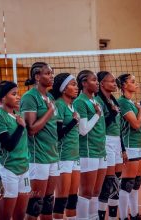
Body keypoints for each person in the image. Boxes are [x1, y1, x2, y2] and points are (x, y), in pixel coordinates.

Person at [21, 62, 59, 220]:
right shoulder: (30, 97)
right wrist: (50, 110)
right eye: (48, 73)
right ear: (37, 76)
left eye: (52, 73)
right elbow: (31, 129)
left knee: (48, 202)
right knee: (35, 203)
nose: (51, 77)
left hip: (52, 155)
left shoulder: (49, 96)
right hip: (38, 157)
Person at [0, 81, 30, 220]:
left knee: (20, 214)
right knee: (5, 215)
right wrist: (21, 127)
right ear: (3, 98)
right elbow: (8, 145)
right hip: (8, 168)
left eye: (18, 93)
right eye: (14, 94)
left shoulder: (18, 114)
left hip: (24, 168)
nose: (18, 97)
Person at [74, 70, 107, 220]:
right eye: (94, 80)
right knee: (86, 192)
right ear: (84, 83)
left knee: (96, 191)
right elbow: (83, 130)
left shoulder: (96, 101)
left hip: (101, 151)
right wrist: (97, 115)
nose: (97, 83)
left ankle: (94, 217)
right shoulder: (80, 102)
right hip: (88, 151)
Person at [95, 71, 127, 220]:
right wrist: (112, 114)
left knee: (116, 181)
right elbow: (99, 125)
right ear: (102, 83)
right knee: (107, 183)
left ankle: (113, 217)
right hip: (105, 141)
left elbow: (119, 127)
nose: (115, 84)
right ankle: (101, 216)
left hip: (116, 142)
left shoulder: (114, 100)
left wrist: (123, 148)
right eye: (111, 81)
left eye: (115, 81)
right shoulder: (98, 101)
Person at [116, 73, 141, 220]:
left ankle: (134, 214)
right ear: (124, 86)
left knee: (136, 183)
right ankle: (123, 217)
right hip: (129, 146)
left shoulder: (131, 103)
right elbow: (136, 124)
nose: (136, 84)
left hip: (139, 147)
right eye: (132, 81)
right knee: (127, 184)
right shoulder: (122, 102)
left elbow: (140, 129)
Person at [50, 73, 80, 220]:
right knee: (61, 198)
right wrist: (74, 122)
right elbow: (57, 134)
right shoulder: (59, 105)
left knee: (73, 198)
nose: (76, 87)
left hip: (74, 155)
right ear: (63, 89)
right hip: (63, 156)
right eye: (73, 84)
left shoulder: (71, 105)